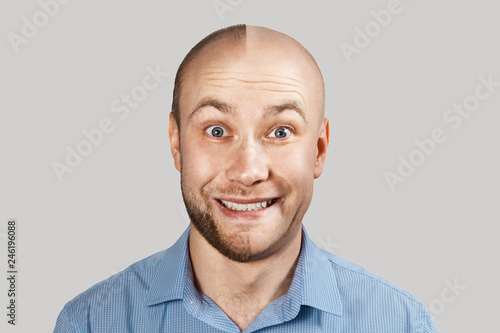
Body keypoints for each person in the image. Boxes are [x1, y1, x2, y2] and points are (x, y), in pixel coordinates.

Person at [54, 24, 440, 333]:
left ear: (319, 149)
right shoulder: (89, 323)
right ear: (176, 144)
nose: (248, 171)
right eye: (217, 131)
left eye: (281, 132)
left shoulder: (401, 324)